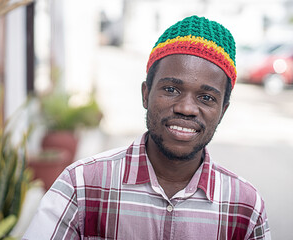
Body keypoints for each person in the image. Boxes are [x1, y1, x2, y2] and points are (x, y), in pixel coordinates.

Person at [23, 15, 271, 239]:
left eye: (206, 98)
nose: (186, 108)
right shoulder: (81, 187)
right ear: (146, 94)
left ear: (223, 110)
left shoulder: (245, 208)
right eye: (171, 89)